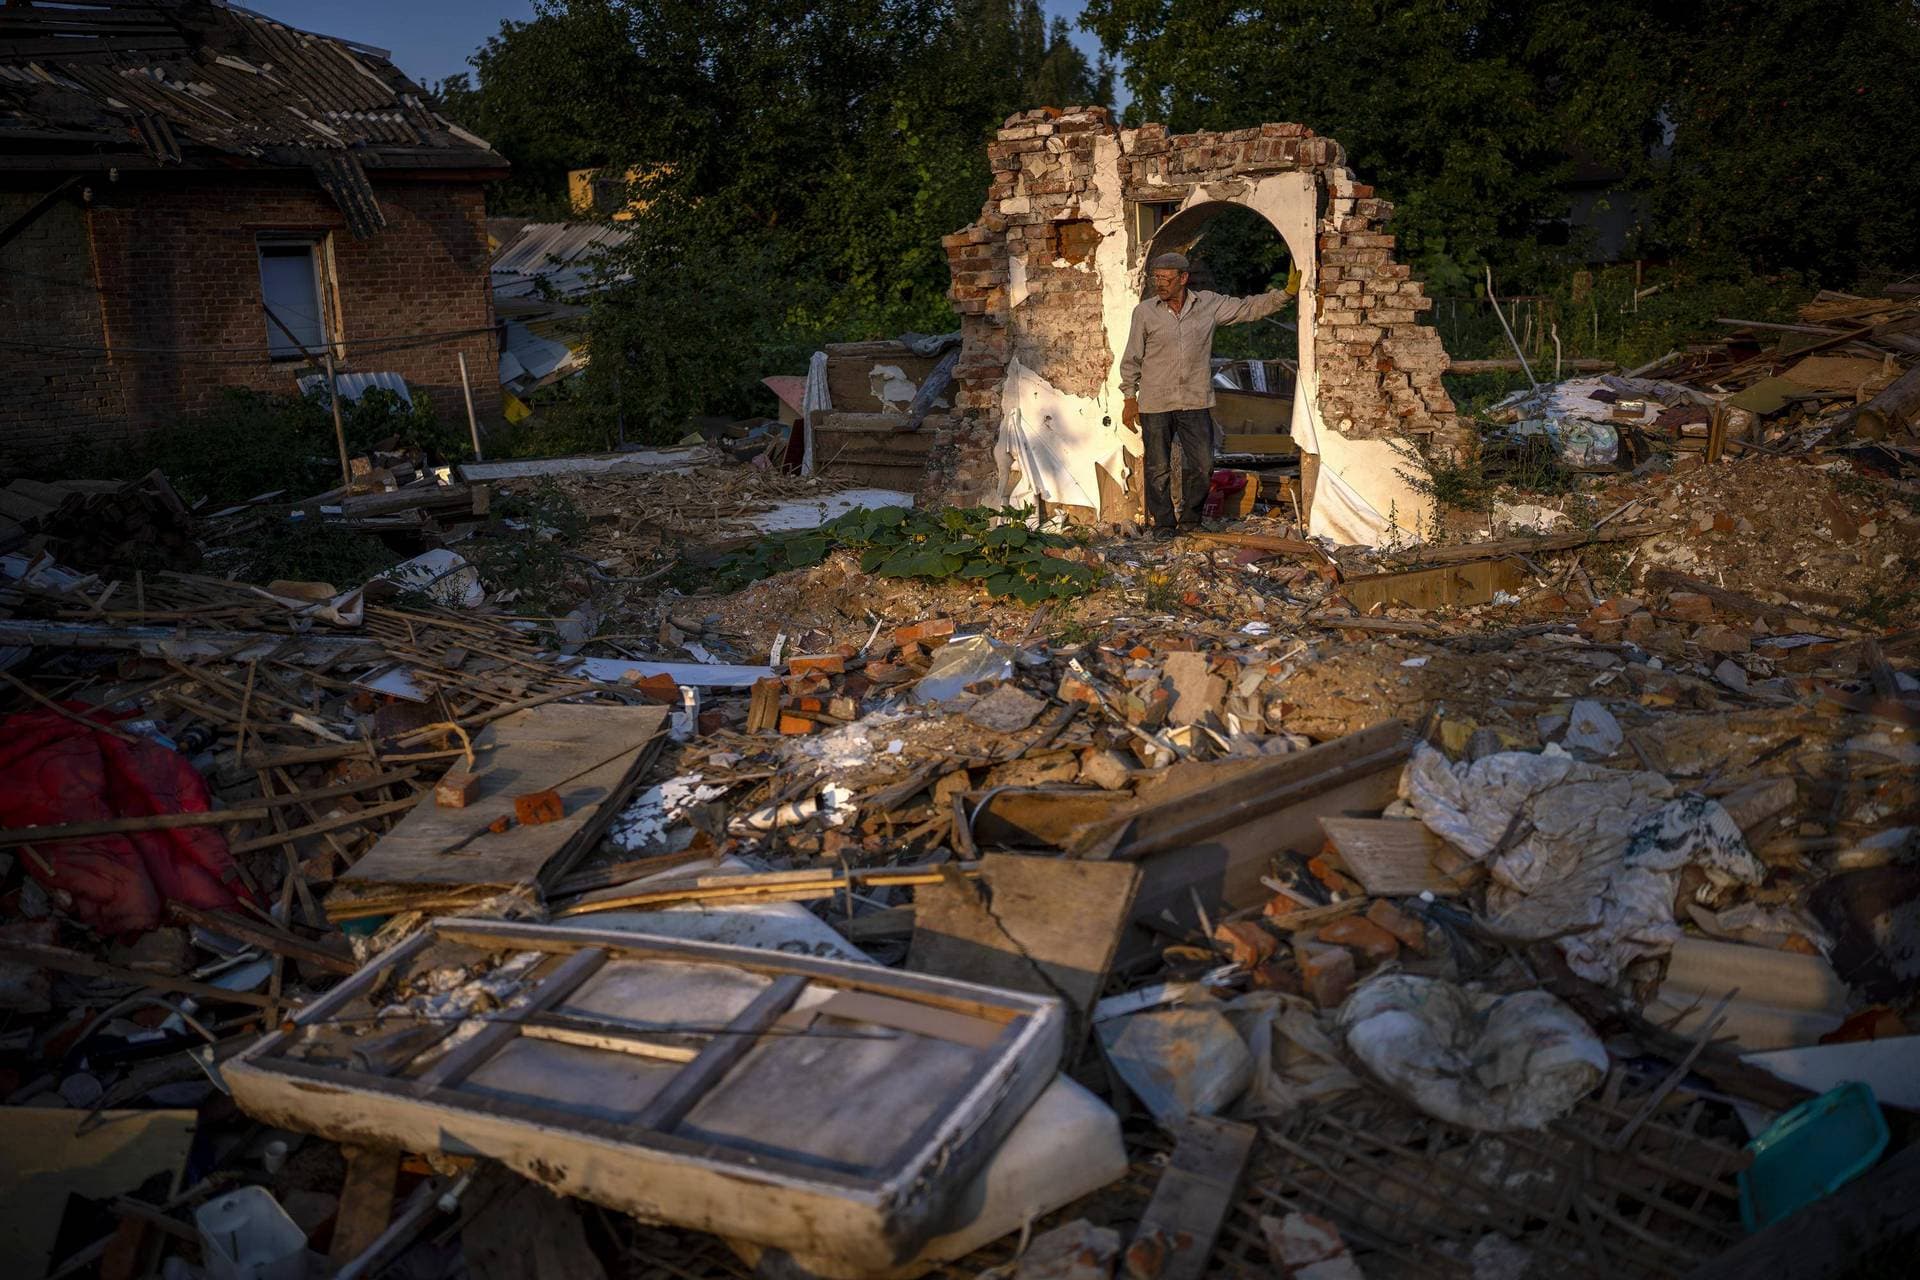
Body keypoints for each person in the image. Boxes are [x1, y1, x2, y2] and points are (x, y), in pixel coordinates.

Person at [1118, 252, 1295, 535]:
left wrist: (1284, 295)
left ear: (1183, 278)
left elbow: (1247, 308)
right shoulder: (1145, 312)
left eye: (1166, 278)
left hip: (1195, 400)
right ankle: (1163, 525)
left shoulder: (1209, 305)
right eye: (1157, 278)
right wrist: (1129, 397)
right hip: (1155, 402)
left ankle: (1190, 520)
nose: (1159, 284)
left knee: (1203, 465)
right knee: (1158, 469)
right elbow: (1132, 358)